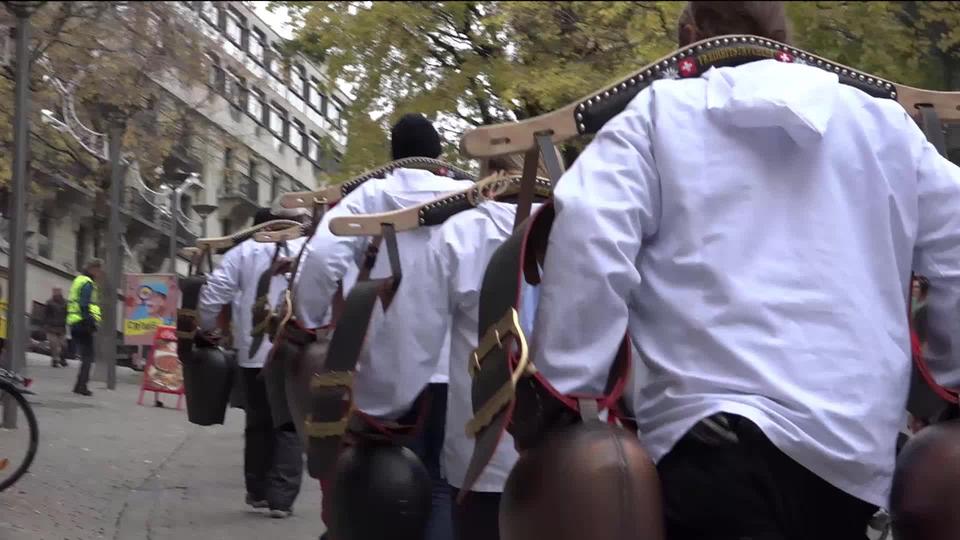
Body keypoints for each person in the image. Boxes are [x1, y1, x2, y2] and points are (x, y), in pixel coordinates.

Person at [525, 1, 960, 538]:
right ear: (786, 35)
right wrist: (950, 380)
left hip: (706, 449)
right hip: (854, 461)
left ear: (689, 36)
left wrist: (569, 391)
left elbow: (590, 228)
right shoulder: (885, 125)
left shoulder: (655, 114)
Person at [295, 113, 472, 540]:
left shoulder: (373, 195)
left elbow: (320, 260)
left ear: (393, 156)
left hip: (390, 364)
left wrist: (311, 318)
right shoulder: (474, 196)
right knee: (447, 486)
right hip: (466, 366)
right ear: (439, 155)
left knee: (386, 486)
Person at [352, 155, 547, 540]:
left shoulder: (461, 235)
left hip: (485, 455)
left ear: (486, 175)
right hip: (580, 457)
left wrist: (372, 409)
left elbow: (409, 342)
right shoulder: (588, 229)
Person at [198, 208, 306, 519]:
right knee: (287, 425)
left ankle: (257, 491)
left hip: (252, 354)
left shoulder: (243, 251)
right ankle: (281, 499)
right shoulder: (308, 249)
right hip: (293, 350)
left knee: (258, 423)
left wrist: (208, 327)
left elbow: (214, 291)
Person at [67, 259, 103, 396]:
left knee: (85, 356)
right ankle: (82, 386)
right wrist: (90, 323)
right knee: (88, 357)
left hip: (75, 322)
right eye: (99, 270)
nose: (100, 274)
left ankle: (78, 385)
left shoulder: (79, 280)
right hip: (83, 324)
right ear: (93, 269)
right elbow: (84, 304)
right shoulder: (88, 284)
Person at [44, 287, 68, 368]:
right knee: (53, 344)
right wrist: (46, 325)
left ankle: (62, 358)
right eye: (54, 291)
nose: (56, 293)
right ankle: (55, 360)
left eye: (57, 292)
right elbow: (45, 315)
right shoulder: (49, 303)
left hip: (62, 327)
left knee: (63, 345)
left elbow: (68, 314)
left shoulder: (66, 303)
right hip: (51, 327)